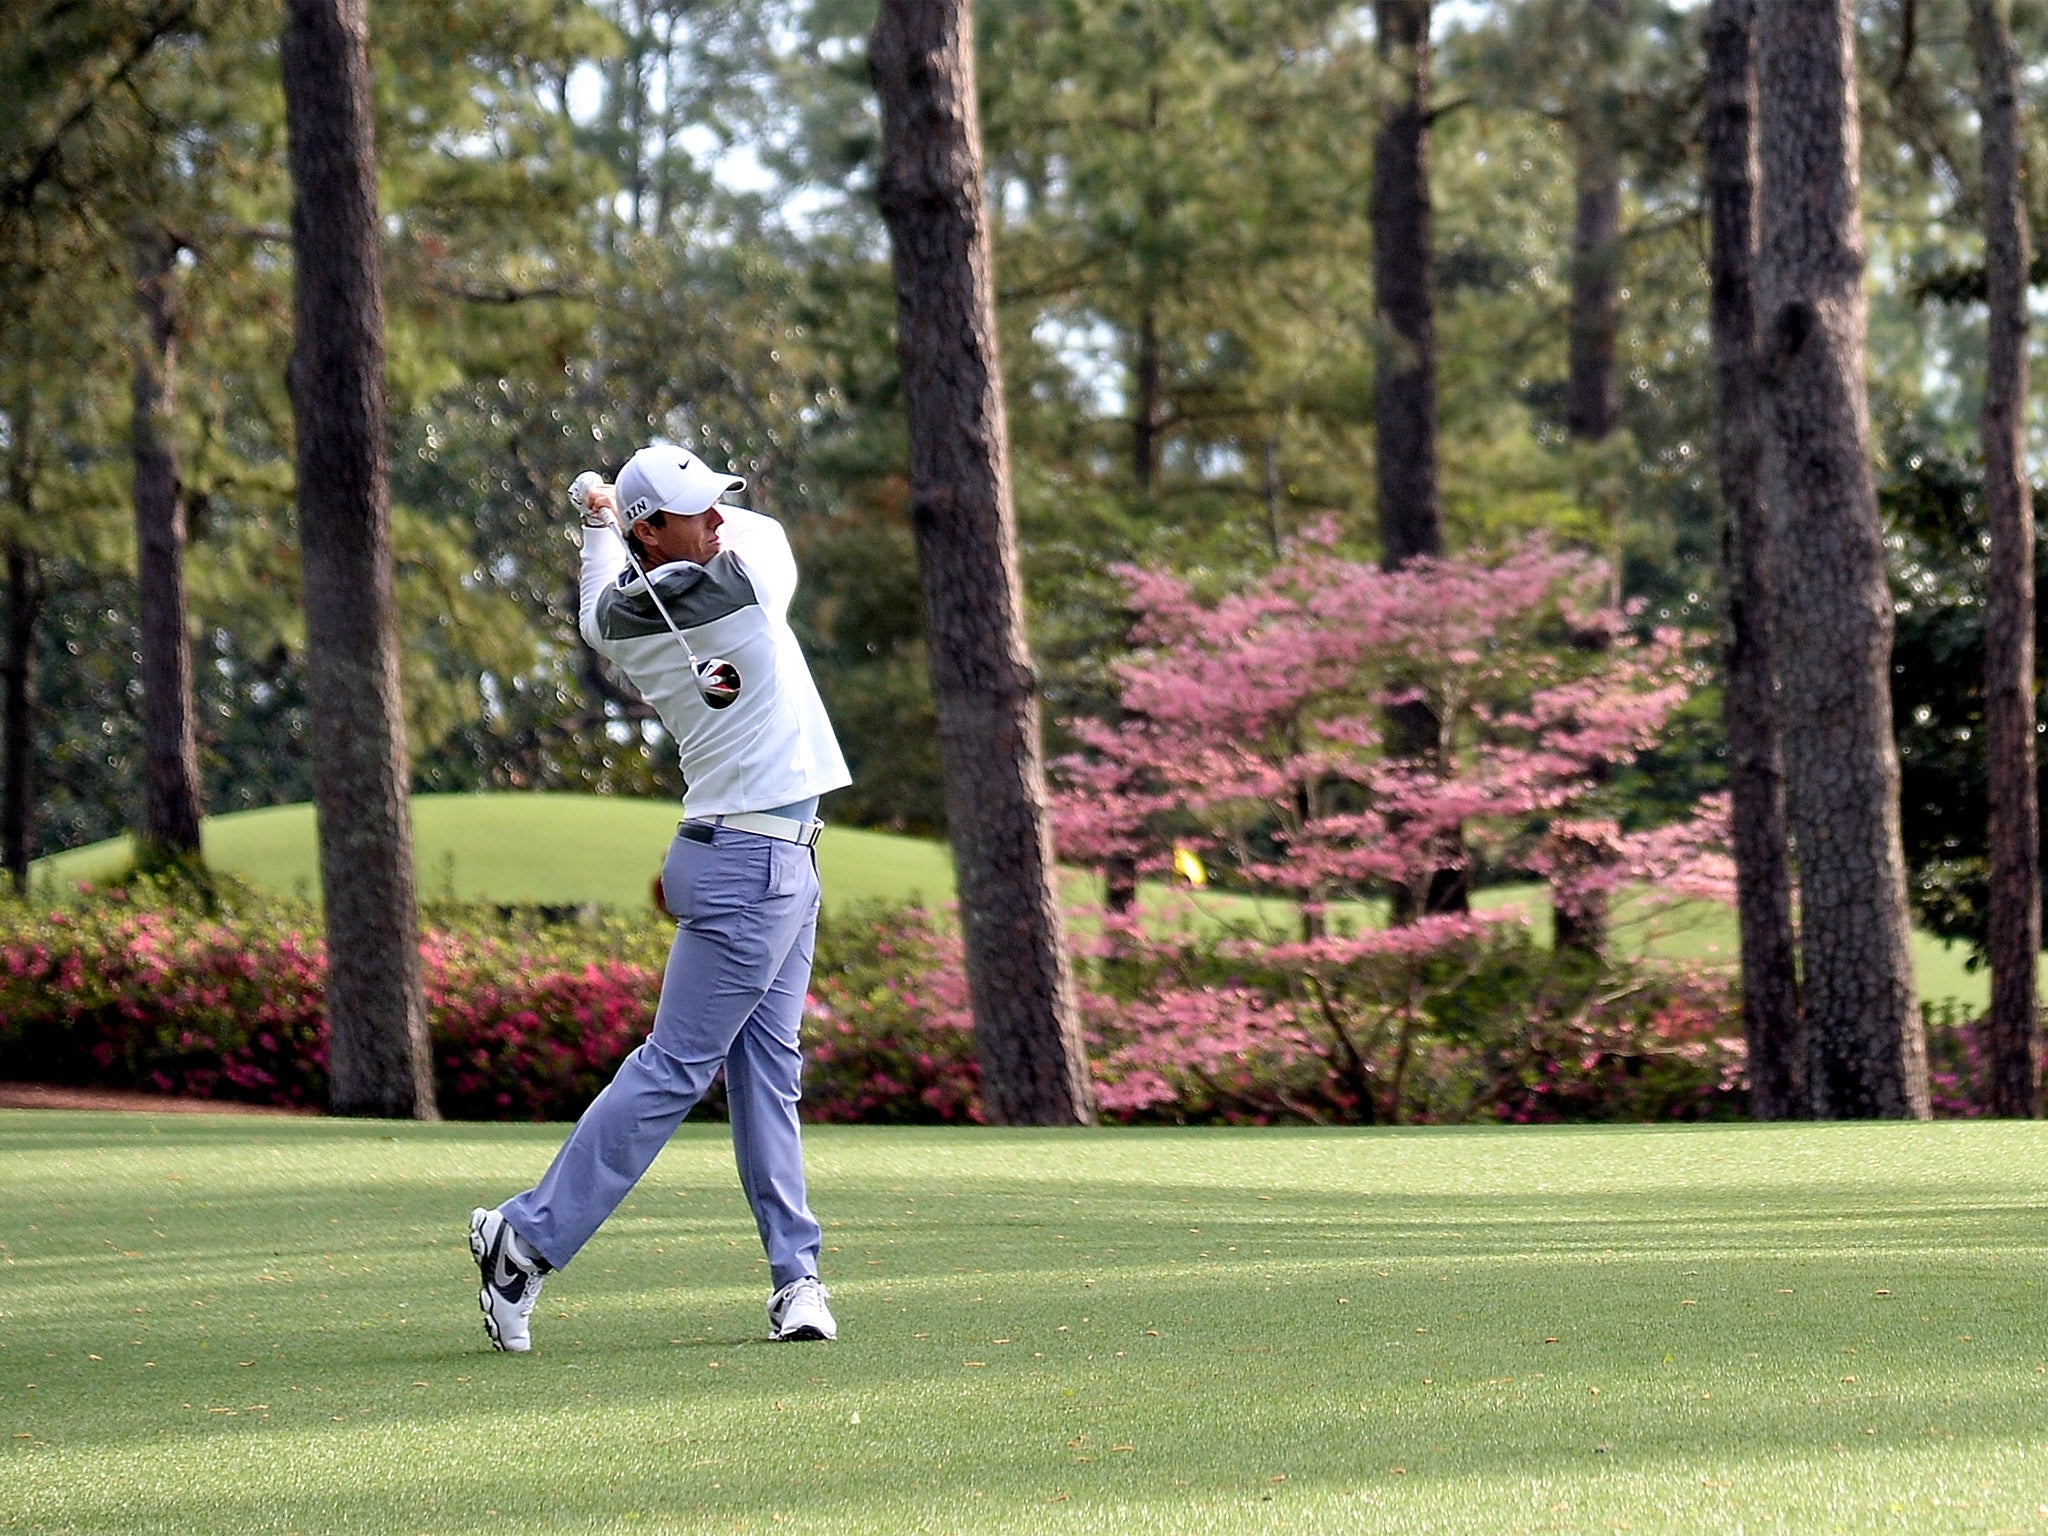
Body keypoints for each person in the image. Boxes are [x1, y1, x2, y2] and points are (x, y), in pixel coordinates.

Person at [468, 442, 851, 1353]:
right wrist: (612, 513)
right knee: (676, 1067)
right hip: (751, 866)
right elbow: (766, 530)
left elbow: (598, 603)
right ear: (655, 531)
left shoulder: (625, 622)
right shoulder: (750, 582)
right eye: (698, 511)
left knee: (769, 1075)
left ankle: (797, 1279)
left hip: (766, 857)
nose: (719, 520)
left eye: (720, 505)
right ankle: (523, 1240)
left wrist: (602, 521)